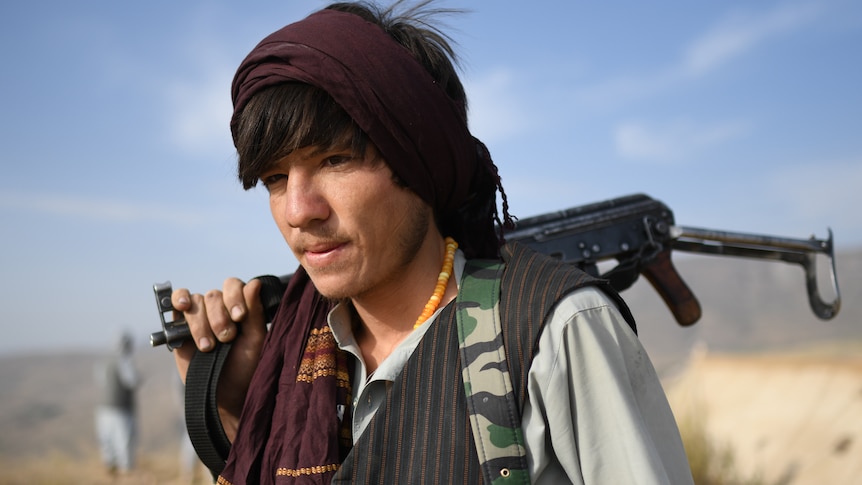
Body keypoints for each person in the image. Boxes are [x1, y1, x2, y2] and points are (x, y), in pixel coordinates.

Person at [170, 1, 694, 483]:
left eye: (335, 160)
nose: (297, 210)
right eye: (275, 179)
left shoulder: (554, 333)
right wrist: (235, 402)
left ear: (417, 162)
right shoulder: (296, 349)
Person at [94, 331, 140, 475]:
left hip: (104, 410)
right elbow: (132, 381)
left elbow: (101, 381)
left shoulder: (103, 362)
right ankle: (125, 475)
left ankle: (112, 473)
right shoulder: (124, 362)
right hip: (121, 410)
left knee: (108, 444)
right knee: (123, 444)